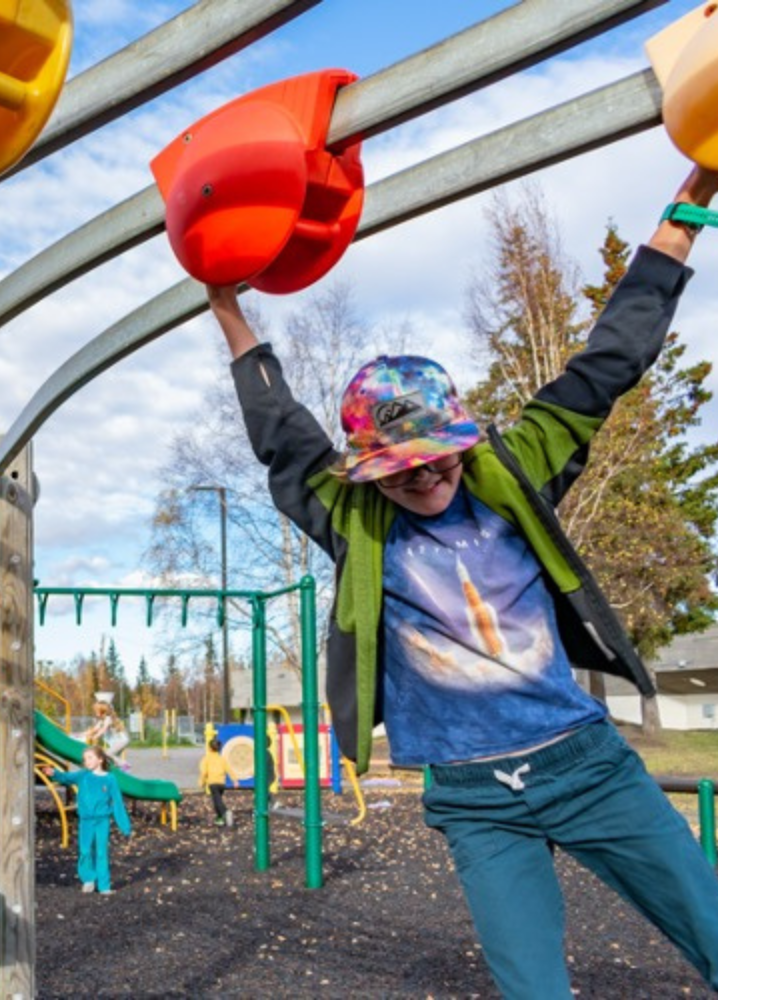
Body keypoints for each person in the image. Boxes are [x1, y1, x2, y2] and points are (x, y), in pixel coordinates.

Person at [205, 163, 718, 995]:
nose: (422, 478)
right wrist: (227, 307)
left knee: (711, 924)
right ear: (368, 473)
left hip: (586, 767)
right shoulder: (355, 523)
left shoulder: (515, 474)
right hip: (478, 800)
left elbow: (608, 362)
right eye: (398, 468)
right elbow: (281, 435)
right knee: (531, 984)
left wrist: (686, 214)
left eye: (435, 457)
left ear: (462, 441)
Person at [49, 745, 133, 893]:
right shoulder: (83, 775)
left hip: (102, 821)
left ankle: (104, 886)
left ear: (100, 760)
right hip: (86, 821)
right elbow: (65, 777)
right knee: (85, 851)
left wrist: (125, 826)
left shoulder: (110, 779)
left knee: (101, 853)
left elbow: (118, 803)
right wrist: (53, 773)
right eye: (85, 758)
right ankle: (88, 879)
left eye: (90, 758)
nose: (86, 761)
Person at [82, 699, 129, 769]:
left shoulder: (108, 719)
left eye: (96, 711)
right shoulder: (102, 720)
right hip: (116, 741)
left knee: (108, 753)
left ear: (102, 711)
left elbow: (103, 729)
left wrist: (96, 736)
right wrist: (83, 734)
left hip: (121, 740)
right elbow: (95, 729)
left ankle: (124, 764)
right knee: (111, 758)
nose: (95, 712)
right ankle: (118, 771)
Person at [199, 735, 231, 827]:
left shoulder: (206, 759)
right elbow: (228, 769)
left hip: (212, 782)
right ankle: (219, 818)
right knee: (218, 799)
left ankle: (225, 812)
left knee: (217, 800)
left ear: (209, 748)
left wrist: (202, 782)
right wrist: (235, 779)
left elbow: (204, 771)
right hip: (221, 783)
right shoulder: (222, 759)